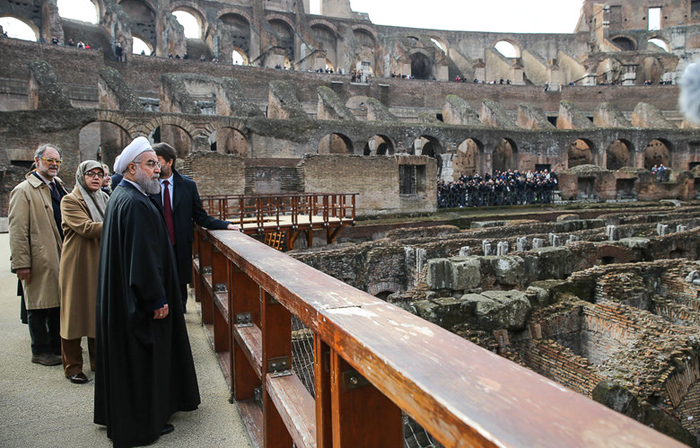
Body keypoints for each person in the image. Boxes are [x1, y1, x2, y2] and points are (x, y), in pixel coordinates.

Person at [94, 136, 200, 447]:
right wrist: (156, 298)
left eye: (157, 163)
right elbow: (142, 258)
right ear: (131, 169)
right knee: (141, 360)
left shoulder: (123, 196)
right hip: (139, 301)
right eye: (150, 164)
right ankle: (141, 423)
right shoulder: (136, 203)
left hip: (124, 297)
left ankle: (130, 413)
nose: (157, 170)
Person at [151, 142, 238, 312]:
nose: (155, 165)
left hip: (180, 244)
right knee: (158, 281)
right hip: (156, 244)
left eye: (157, 161)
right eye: (152, 162)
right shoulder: (148, 186)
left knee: (180, 284)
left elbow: (200, 216)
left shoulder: (187, 185)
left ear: (170, 162)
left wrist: (225, 225)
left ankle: (180, 314)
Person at [9, 144, 68, 366]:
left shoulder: (58, 186)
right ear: (37, 160)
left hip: (58, 254)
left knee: (56, 303)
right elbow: (17, 230)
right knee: (37, 305)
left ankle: (55, 347)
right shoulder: (23, 190)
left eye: (58, 161)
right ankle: (40, 351)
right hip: (39, 256)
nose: (54, 164)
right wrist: (21, 263)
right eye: (49, 159)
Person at [59, 161, 109, 384]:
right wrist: (119, 221)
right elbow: (86, 228)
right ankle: (73, 367)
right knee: (74, 315)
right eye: (91, 174)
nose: (96, 178)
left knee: (97, 313)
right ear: (81, 176)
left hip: (100, 261)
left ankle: (99, 362)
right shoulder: (70, 200)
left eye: (100, 174)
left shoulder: (104, 198)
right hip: (78, 265)